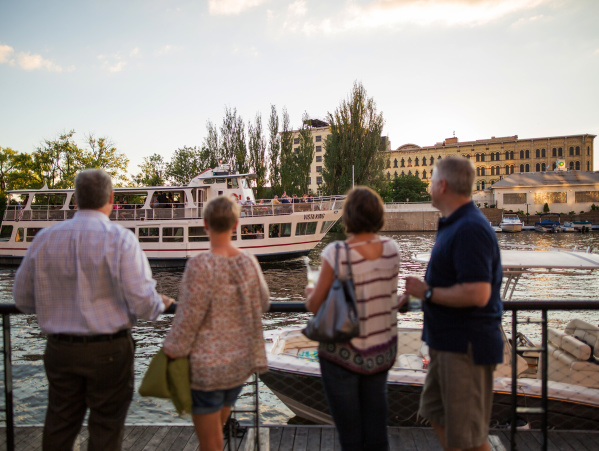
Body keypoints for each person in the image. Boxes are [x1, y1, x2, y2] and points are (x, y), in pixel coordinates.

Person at [13, 169, 174, 451]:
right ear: (111, 198)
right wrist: (163, 303)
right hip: (109, 351)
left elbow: (23, 301)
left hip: (60, 349)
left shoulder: (44, 239)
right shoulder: (121, 239)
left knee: (60, 424)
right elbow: (144, 304)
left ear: (75, 199)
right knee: (106, 428)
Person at [401, 157, 503, 451]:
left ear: (442, 186)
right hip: (446, 345)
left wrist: (427, 292)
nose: (429, 186)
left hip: (465, 349)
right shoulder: (454, 225)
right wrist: (415, 297)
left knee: (469, 436)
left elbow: (477, 294)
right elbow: (449, 286)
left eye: (431, 180)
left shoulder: (470, 228)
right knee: (435, 413)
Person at [163, 195, 270, 451]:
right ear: (236, 225)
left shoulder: (199, 265)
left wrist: (171, 352)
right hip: (238, 365)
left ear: (205, 224)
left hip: (207, 368)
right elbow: (264, 302)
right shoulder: (248, 262)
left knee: (210, 442)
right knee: (215, 435)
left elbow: (188, 319)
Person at [305, 186, 401, 451]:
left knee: (351, 437)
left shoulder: (337, 253)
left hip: (343, 355)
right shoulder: (392, 249)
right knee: (376, 433)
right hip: (381, 353)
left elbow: (316, 306)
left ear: (349, 217)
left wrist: (310, 292)